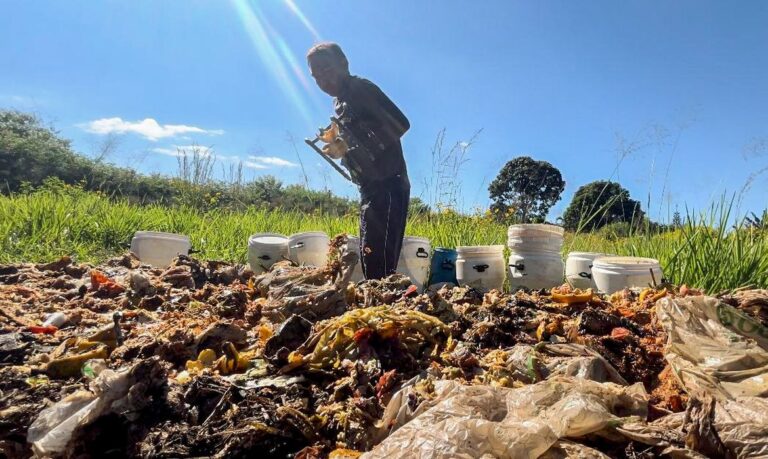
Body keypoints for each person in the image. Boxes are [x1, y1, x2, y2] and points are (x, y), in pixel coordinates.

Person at [307, 42, 410, 280]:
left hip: (389, 183)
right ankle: (378, 307)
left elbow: (400, 123)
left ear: (344, 64)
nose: (322, 79)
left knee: (380, 265)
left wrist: (350, 144)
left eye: (327, 69)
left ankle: (383, 310)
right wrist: (339, 147)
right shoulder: (340, 101)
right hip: (370, 186)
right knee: (371, 258)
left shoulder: (360, 89)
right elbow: (355, 139)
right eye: (316, 76)